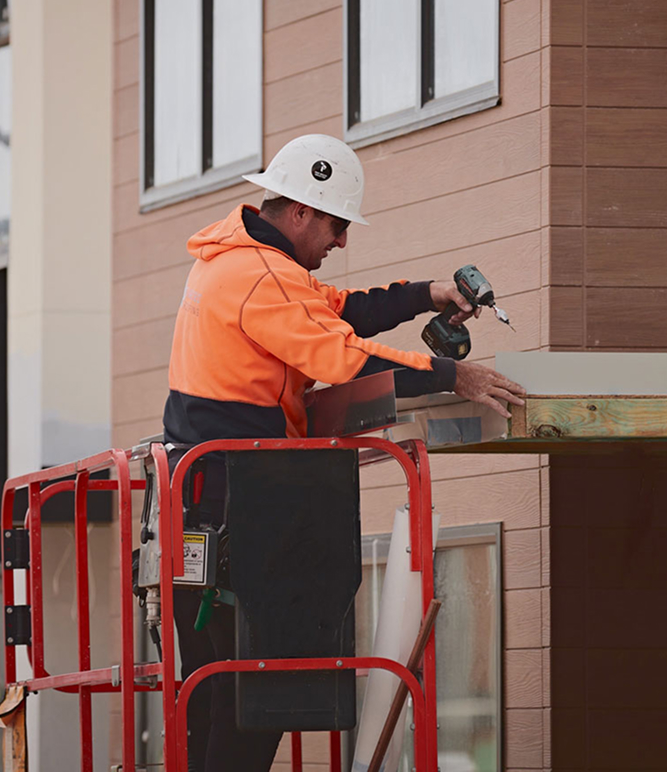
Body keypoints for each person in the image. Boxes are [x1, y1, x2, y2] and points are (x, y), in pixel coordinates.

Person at [163, 133, 526, 771]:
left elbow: (339, 313)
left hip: (204, 503)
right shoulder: (260, 277)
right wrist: (450, 374)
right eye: (336, 224)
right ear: (300, 211)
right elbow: (342, 355)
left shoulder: (242, 261)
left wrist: (428, 293)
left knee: (219, 697)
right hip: (239, 506)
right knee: (254, 700)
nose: (341, 240)